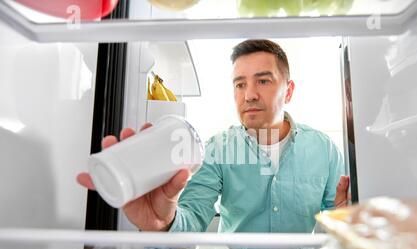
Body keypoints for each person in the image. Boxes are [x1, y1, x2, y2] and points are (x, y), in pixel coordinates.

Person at [77, 39, 349, 234]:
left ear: (288, 91)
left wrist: (346, 220)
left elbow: (334, 227)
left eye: (263, 81)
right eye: (240, 84)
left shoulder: (323, 150)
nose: (249, 94)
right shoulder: (217, 150)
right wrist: (162, 223)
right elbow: (191, 218)